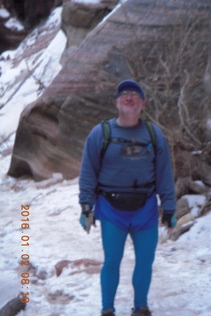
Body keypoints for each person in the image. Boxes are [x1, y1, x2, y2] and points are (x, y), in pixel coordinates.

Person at [78, 79, 176, 316]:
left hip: (146, 209)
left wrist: (170, 208)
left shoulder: (154, 135)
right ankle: (107, 309)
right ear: (116, 103)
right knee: (112, 261)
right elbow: (88, 172)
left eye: (134, 94)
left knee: (145, 261)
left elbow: (164, 173)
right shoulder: (100, 133)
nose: (129, 97)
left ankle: (141, 307)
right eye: (124, 94)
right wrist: (86, 207)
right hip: (112, 210)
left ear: (143, 103)